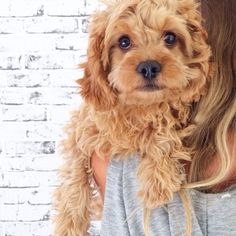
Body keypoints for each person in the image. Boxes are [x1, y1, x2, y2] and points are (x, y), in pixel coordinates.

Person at [92, 0, 236, 235]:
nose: (148, 64)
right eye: (126, 43)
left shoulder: (107, 159)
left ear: (203, 54)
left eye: (169, 39)